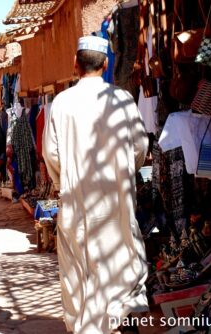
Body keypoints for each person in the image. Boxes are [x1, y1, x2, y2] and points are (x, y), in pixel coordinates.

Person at [43, 36, 149, 334]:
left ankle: (84, 327)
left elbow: (51, 152)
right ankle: (113, 321)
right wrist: (126, 171)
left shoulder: (60, 103)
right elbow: (139, 145)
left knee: (78, 268)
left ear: (75, 64)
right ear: (105, 65)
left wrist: (62, 181)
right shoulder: (123, 100)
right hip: (117, 200)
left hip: (76, 200)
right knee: (117, 260)